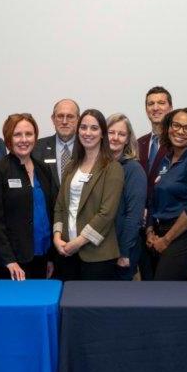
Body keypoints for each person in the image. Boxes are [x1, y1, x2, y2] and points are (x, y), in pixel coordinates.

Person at [53, 109, 124, 280]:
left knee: (92, 305)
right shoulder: (71, 166)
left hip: (97, 255)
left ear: (102, 134)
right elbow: (60, 207)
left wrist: (78, 242)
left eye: (94, 128)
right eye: (83, 127)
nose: (87, 133)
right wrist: (57, 237)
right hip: (66, 251)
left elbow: (106, 214)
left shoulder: (112, 168)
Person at [0, 113, 56, 280]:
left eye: (29, 134)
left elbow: (49, 213)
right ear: (8, 138)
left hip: (42, 256)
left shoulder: (43, 169)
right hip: (12, 263)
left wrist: (51, 258)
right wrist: (8, 260)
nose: (24, 140)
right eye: (17, 134)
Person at [146, 107, 187, 280]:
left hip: (183, 237)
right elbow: (153, 199)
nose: (180, 131)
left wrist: (166, 240)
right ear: (168, 127)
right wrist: (150, 231)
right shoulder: (166, 159)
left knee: (164, 296)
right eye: (176, 125)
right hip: (159, 234)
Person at [136, 86, 173, 280]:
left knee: (166, 288)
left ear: (170, 107)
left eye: (161, 103)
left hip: (167, 229)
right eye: (151, 103)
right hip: (140, 227)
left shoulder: (179, 145)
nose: (155, 107)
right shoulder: (137, 143)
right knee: (146, 283)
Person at [107, 113, 147, 280]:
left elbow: (134, 215)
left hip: (123, 251)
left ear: (127, 139)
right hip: (100, 251)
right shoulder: (96, 166)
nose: (115, 138)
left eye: (121, 134)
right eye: (111, 132)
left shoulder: (133, 169)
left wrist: (123, 252)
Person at [33, 98, 79, 191]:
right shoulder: (37, 148)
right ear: (53, 119)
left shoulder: (87, 148)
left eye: (70, 116)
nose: (65, 121)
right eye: (60, 116)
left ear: (78, 119)